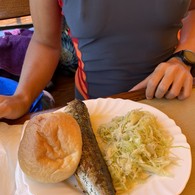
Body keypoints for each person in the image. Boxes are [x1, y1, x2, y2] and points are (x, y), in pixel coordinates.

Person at [0, 0, 195, 120]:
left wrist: (183, 58)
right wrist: (22, 97)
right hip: (96, 108)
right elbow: (45, 43)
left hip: (172, 96)